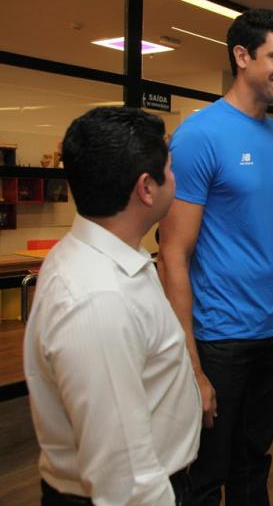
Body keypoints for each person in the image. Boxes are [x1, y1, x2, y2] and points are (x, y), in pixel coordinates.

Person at [158, 8, 273, 505]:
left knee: (254, 462)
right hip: (220, 337)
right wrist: (191, 365)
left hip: (272, 331)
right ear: (242, 56)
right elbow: (172, 254)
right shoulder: (200, 135)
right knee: (205, 475)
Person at [24, 107, 201, 504]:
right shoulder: (98, 300)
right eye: (170, 169)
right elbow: (124, 480)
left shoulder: (109, 255)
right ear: (147, 188)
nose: (176, 179)